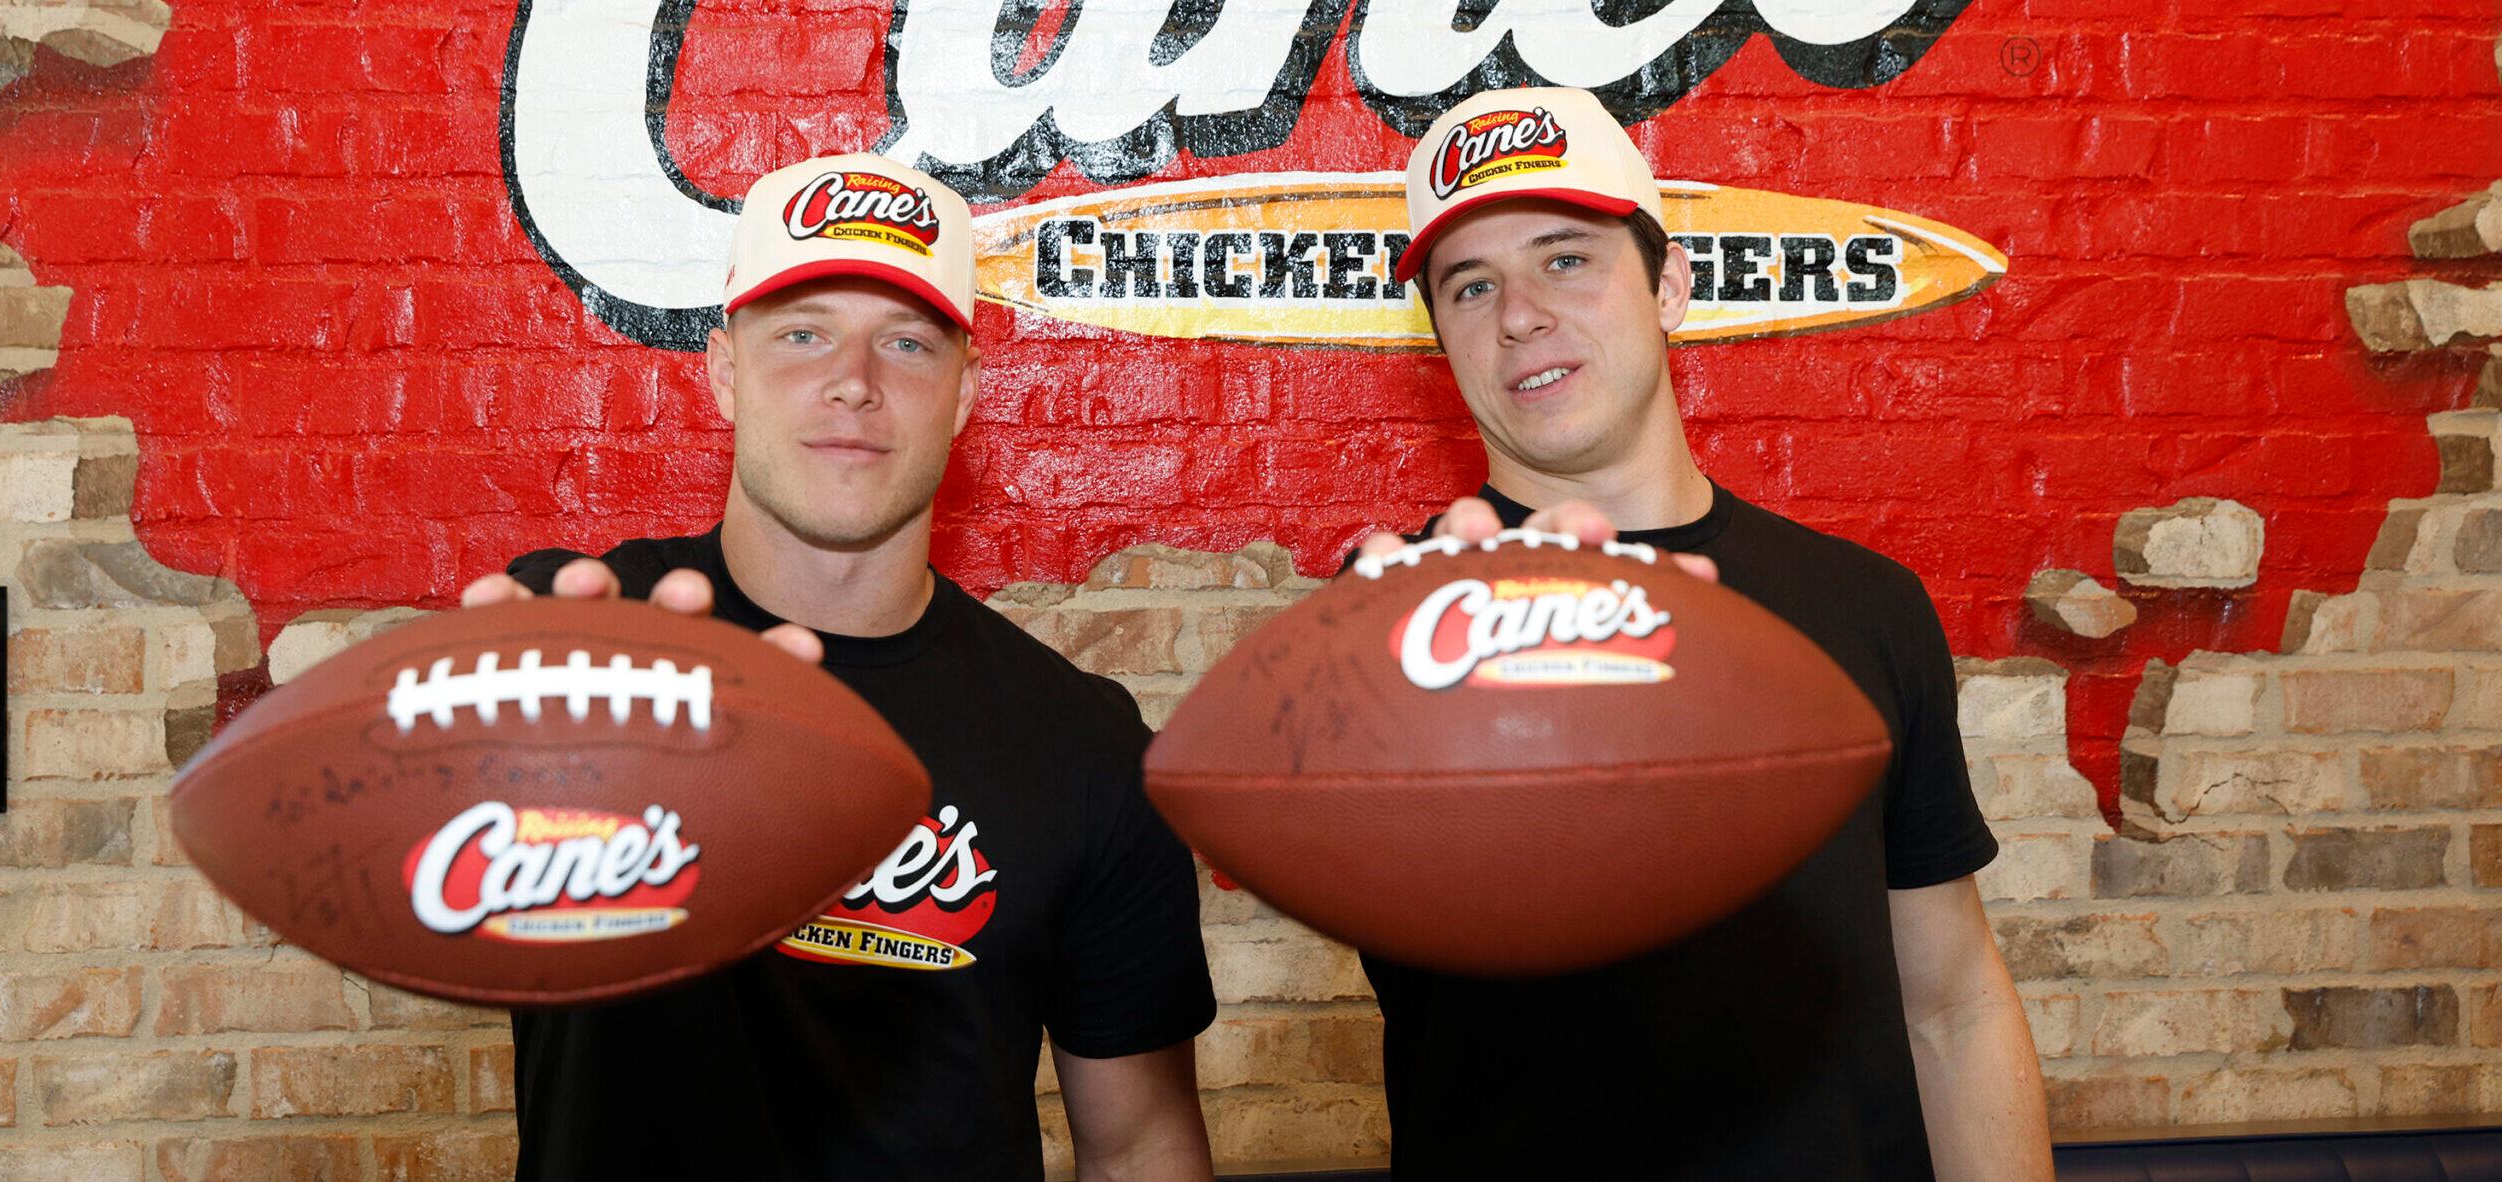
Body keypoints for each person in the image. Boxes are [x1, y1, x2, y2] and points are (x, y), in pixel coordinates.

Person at [462, 153, 1218, 1182]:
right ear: (724, 371)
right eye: (804, 333)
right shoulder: (584, 645)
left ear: (964, 395)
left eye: (905, 343)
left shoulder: (1081, 744)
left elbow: (1139, 1145)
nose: (853, 382)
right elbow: (406, 848)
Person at [1351, 88, 2054, 1179]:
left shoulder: (1863, 606)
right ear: (1440, 339)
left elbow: (1952, 1006)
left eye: (1566, 259)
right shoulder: (1401, 625)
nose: (1521, 314)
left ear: (1669, 285)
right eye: (1471, 286)